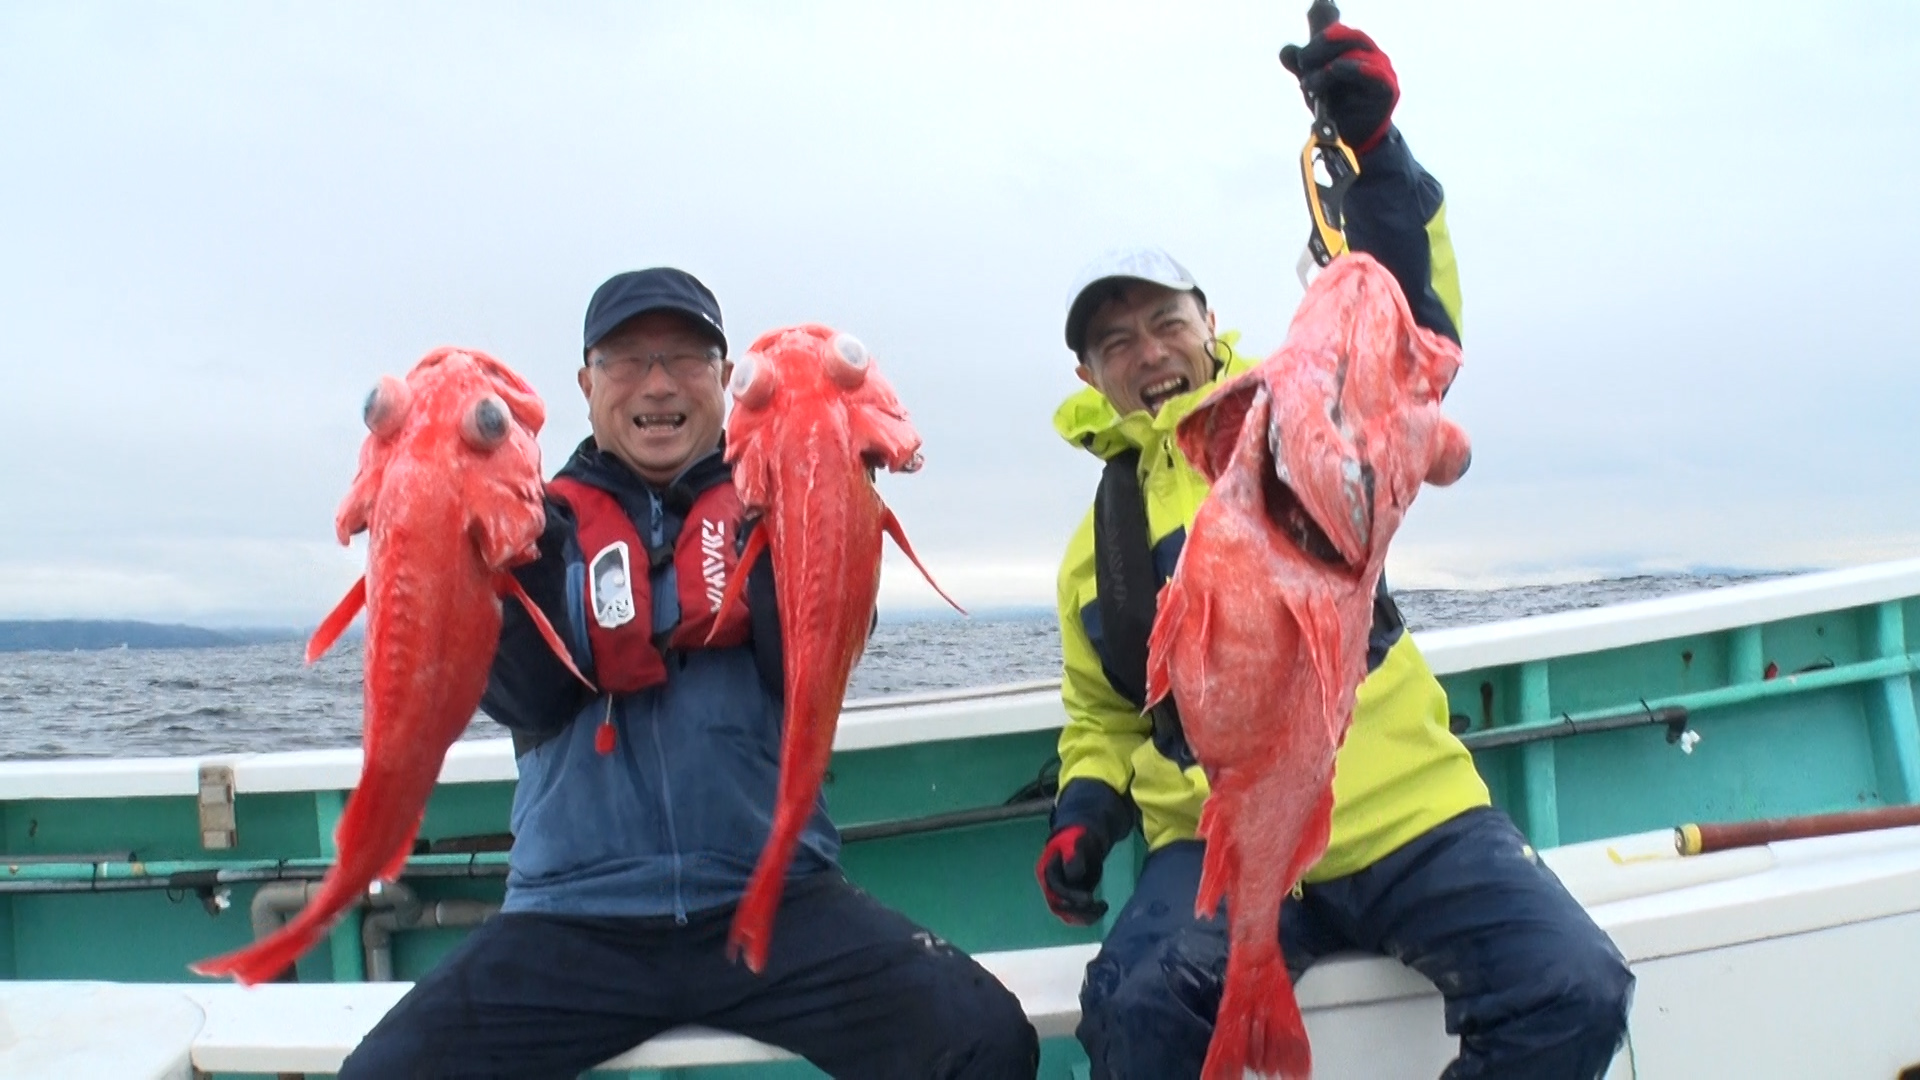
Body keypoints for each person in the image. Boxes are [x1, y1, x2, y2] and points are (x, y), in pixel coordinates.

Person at [1034, 19, 1635, 1080]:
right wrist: (1087, 807)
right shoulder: (1098, 546)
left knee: (1573, 988)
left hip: (1408, 808)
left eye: (1164, 322)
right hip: (1217, 843)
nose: (1148, 353)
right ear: (1092, 377)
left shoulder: (1303, 410)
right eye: (1115, 342)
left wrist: (1376, 156)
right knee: (1137, 1010)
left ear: (1210, 322)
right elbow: (1102, 712)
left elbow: (1408, 318)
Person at [342, 267, 1040, 1079]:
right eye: (628, 361)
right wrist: (491, 546)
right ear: (585, 384)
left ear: (724, 379)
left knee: (985, 1039)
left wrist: (831, 484)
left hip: (777, 899)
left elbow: (809, 666)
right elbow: (525, 697)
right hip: (571, 919)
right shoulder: (539, 521)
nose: (659, 384)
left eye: (686, 358)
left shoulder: (777, 499)